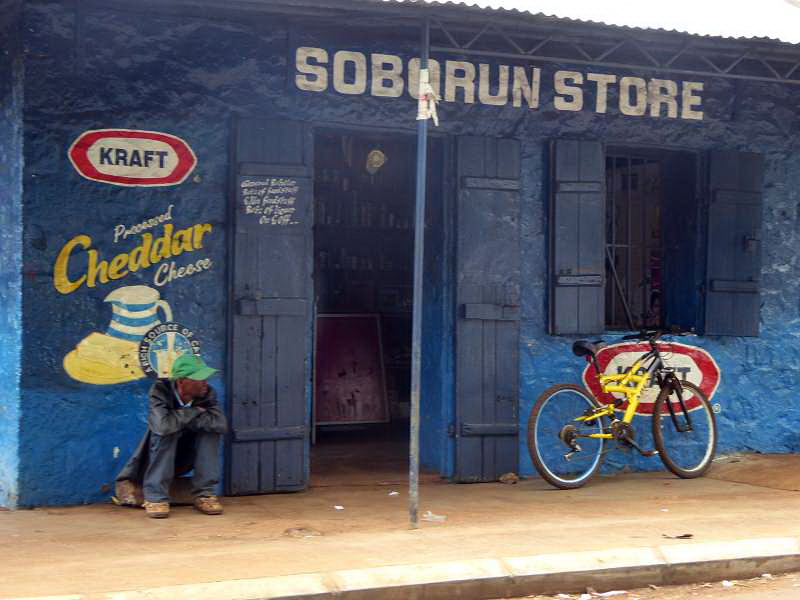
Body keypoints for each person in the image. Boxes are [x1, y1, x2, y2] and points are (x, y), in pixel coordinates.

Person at [115, 354, 228, 518]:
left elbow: (220, 424)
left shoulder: (207, 393)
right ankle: (155, 497)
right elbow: (162, 426)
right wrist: (194, 412)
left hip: (187, 456)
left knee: (210, 432)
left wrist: (178, 418)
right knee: (167, 431)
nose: (205, 383)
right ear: (181, 381)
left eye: (206, 378)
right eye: (199, 379)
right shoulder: (160, 391)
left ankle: (205, 494)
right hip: (158, 458)